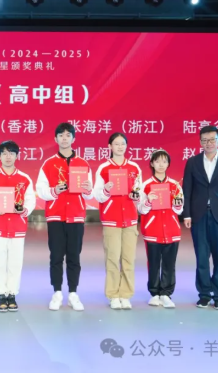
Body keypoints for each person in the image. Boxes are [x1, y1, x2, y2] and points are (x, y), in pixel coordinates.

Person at [36, 122, 93, 312]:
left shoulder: (83, 164)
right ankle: (57, 292)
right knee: (56, 256)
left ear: (73, 138)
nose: (64, 138)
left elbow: (89, 194)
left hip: (76, 216)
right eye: (61, 135)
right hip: (55, 216)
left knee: (74, 256)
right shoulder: (48, 164)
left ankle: (73, 293)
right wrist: (54, 191)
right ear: (56, 139)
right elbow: (41, 190)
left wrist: (88, 189)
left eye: (68, 135)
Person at [183, 125, 218, 310]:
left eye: (212, 139)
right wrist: (187, 214)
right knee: (201, 258)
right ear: (200, 142)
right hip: (198, 216)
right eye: (205, 140)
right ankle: (204, 294)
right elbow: (187, 191)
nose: (208, 143)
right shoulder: (192, 162)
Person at [0, 140, 36, 312]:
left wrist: (25, 210)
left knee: (15, 262)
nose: (8, 156)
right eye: (4, 153)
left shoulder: (24, 178)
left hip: (17, 227)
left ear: (17, 156)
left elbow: (30, 200)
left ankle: (12, 294)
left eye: (11, 153)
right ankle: (1, 294)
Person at [92, 133, 142, 310]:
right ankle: (113, 295)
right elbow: (97, 194)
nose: (120, 147)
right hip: (111, 219)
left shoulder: (134, 167)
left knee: (129, 259)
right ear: (109, 146)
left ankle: (125, 295)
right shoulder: (104, 168)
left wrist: (137, 197)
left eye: (123, 144)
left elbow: (139, 191)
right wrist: (106, 190)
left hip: (130, 219)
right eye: (116, 144)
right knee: (112, 258)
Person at [137, 149, 184, 308]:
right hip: (153, 231)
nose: (161, 165)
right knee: (154, 263)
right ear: (152, 163)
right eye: (157, 161)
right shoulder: (146, 185)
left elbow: (179, 210)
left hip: (172, 231)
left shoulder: (175, 185)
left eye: (164, 161)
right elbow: (141, 209)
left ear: (168, 164)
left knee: (169, 264)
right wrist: (148, 201)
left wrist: (177, 204)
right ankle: (154, 293)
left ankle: (166, 294)